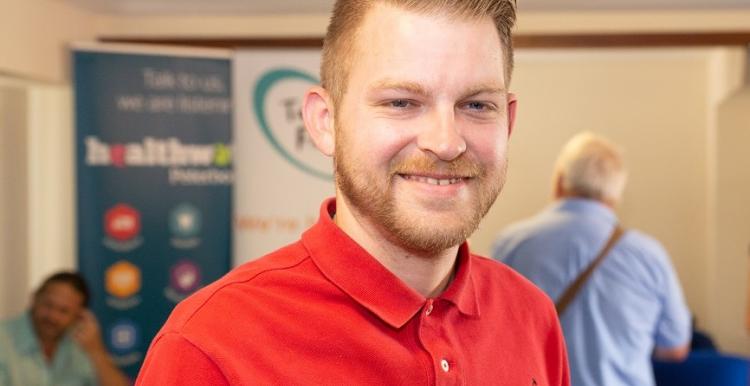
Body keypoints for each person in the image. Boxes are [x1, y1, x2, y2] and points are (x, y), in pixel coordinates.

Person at [136, 1, 570, 384]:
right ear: (325, 122)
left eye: (476, 105)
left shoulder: (531, 315)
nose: (446, 141)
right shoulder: (209, 346)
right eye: (401, 102)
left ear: (507, 122)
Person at [492, 132, 691, 386]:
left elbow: (494, 334)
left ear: (559, 181)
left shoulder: (512, 243)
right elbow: (675, 349)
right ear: (615, 194)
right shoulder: (649, 255)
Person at [0, 271, 130, 386]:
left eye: (64, 311)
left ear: (79, 315)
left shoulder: (82, 346)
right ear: (34, 298)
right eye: (48, 305)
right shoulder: (3, 339)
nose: (52, 316)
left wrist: (96, 352)